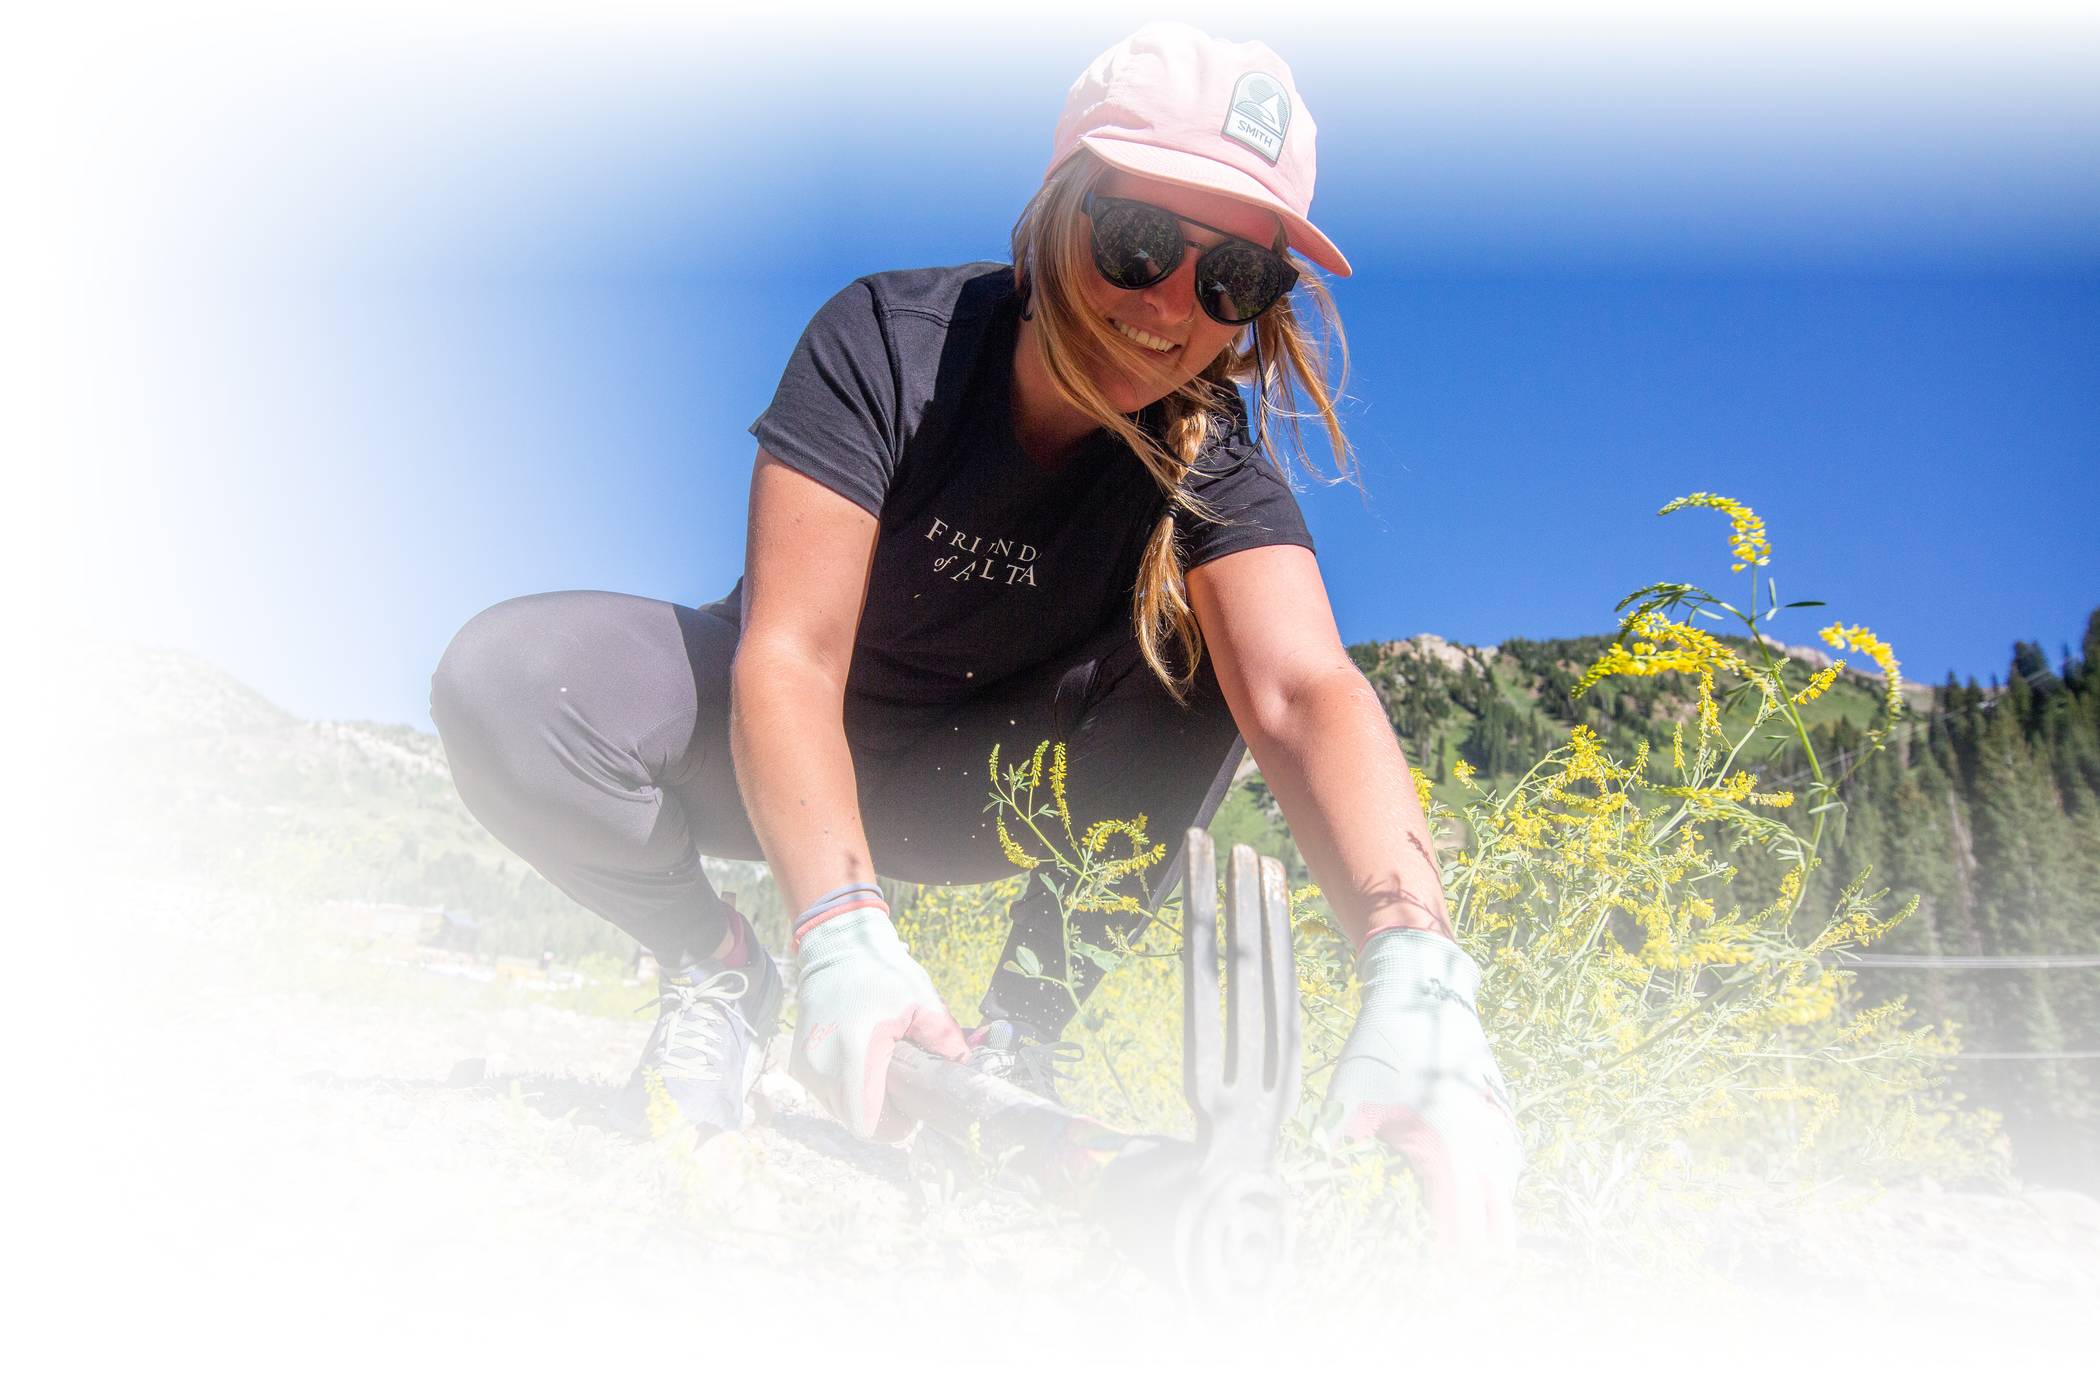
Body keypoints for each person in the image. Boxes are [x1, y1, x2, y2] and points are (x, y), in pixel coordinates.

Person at [429, 22, 1522, 1251]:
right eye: (1141, 242)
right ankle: (720, 966)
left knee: (1225, 656)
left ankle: (1017, 1039)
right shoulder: (891, 342)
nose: (1172, 308)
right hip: (778, 757)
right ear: (1060, 207)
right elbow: (787, 656)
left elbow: (1307, 692)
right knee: (510, 683)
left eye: (1234, 281)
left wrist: (1420, 968)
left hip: (980, 799)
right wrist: (838, 925)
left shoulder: (1212, 461)